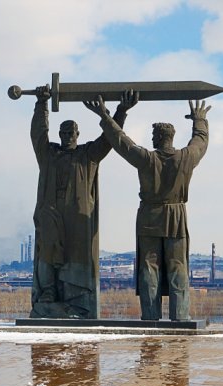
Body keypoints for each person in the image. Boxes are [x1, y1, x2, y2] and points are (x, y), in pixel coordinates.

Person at [84, 91, 211, 320]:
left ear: (159, 137)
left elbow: (121, 141)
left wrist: (105, 115)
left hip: (150, 216)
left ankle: (150, 316)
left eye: (154, 135)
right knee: (178, 266)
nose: (152, 139)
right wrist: (199, 120)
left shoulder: (146, 159)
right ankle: (180, 317)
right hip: (176, 216)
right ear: (171, 137)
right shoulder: (186, 158)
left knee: (149, 267)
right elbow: (200, 142)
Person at [29, 85, 128, 318]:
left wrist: (120, 112)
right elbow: (38, 134)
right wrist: (41, 104)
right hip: (51, 213)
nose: (67, 136)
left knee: (77, 257)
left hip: (77, 218)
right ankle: (48, 295)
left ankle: (77, 301)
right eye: (63, 133)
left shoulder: (88, 155)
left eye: (71, 132)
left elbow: (109, 140)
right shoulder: (48, 154)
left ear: (78, 134)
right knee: (48, 254)